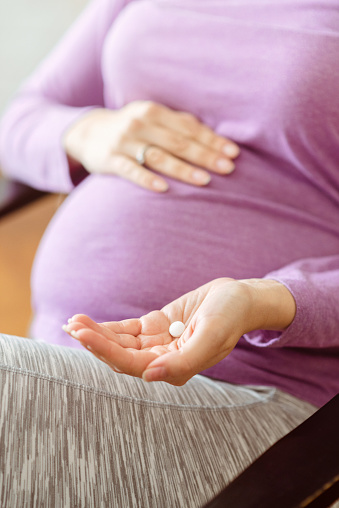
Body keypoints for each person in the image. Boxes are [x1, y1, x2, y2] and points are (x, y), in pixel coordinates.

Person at [0, 0, 338, 506]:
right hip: (58, 361)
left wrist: (266, 299)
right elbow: (21, 120)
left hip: (250, 399)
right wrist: (87, 132)